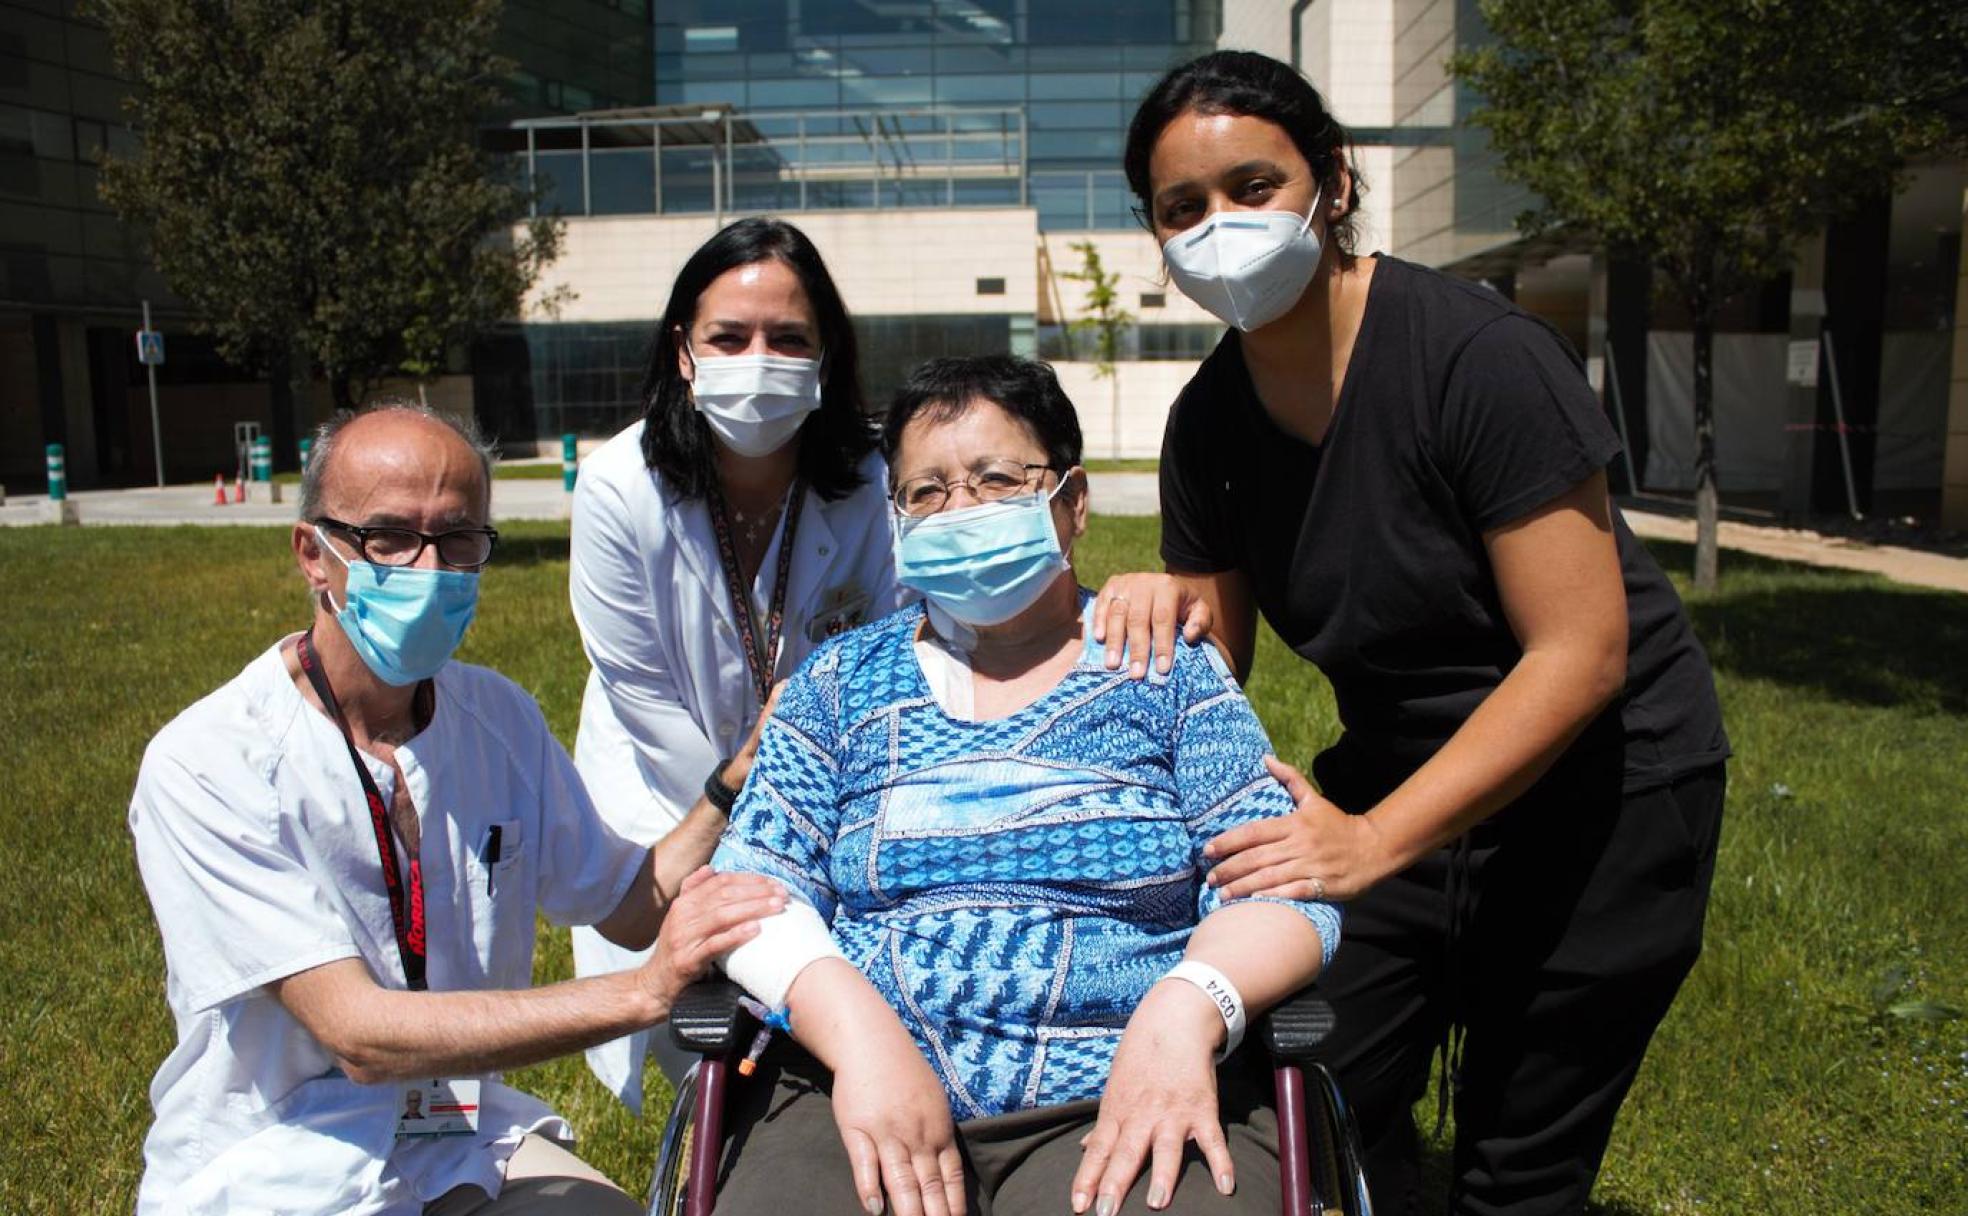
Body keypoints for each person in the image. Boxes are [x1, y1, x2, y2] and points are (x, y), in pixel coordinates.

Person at [1093, 50, 1731, 1216]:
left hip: (1608, 789)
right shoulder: (1206, 424)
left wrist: (1377, 841)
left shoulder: (1476, 359)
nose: (1219, 227)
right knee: (1292, 1102)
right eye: (1182, 208)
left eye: (1252, 186)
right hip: (1389, 785)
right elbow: (1219, 659)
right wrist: (1156, 600)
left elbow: (1581, 653)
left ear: (1331, 182)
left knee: (1516, 1169)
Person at [705, 355, 1344, 1216]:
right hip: (853, 1089)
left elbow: (1284, 886)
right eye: (925, 492)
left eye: (997, 479)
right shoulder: (835, 686)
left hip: (1123, 1084)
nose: (959, 510)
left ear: (1072, 503)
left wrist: (1189, 1009)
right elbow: (748, 892)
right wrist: (859, 1041)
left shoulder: (1164, 669)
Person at [127, 402, 785, 1216]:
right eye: (390, 537)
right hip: (276, 1159)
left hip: (455, 1136)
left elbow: (624, 906)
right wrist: (644, 995)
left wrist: (733, 780)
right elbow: (360, 1036)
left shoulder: (497, 719)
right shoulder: (211, 761)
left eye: (460, 538)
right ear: (314, 555)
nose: (429, 567)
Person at [566, 217, 904, 1109]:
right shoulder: (616, 488)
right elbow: (645, 699)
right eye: (730, 337)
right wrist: (748, 804)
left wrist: (809, 801)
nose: (760, 359)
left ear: (826, 355)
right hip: (671, 793)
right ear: (684, 350)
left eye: (789, 339)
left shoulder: (873, 482)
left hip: (837, 787)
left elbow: (898, 649)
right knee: (711, 1049)